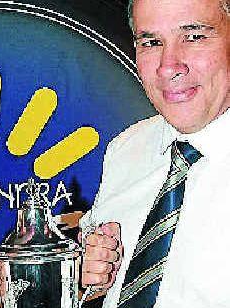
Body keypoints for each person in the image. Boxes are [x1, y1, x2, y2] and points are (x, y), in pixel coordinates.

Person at [80, 0, 229, 307]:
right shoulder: (126, 149)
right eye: (151, 42)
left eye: (194, 36)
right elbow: (93, 283)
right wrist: (92, 283)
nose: (168, 65)